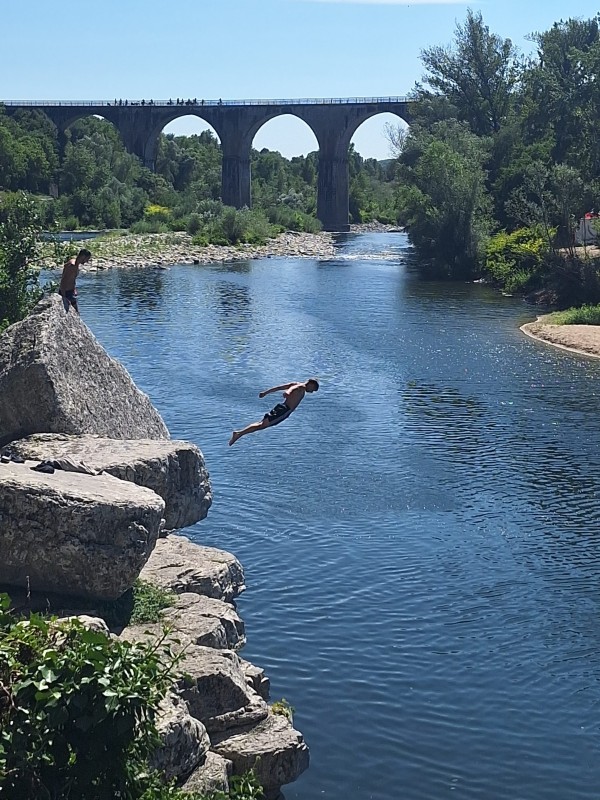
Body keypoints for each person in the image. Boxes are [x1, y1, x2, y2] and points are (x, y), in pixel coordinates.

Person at [229, 379, 319, 446]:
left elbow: (279, 387)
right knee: (263, 425)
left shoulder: (296, 384)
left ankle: (239, 433)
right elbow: (292, 389)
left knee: (261, 424)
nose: (312, 392)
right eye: (313, 389)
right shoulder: (301, 387)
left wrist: (265, 392)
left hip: (281, 407)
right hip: (284, 411)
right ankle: (239, 433)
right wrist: (288, 392)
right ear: (311, 384)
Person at [59, 249, 91, 314]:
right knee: (74, 313)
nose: (87, 261)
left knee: (76, 313)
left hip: (71, 292)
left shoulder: (76, 264)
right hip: (66, 293)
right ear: (83, 256)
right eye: (87, 259)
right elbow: (64, 280)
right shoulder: (72, 266)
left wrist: (74, 289)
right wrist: (63, 296)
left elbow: (72, 279)